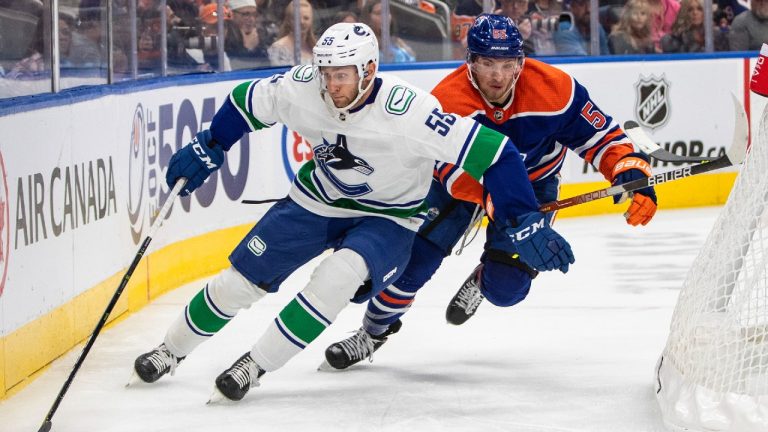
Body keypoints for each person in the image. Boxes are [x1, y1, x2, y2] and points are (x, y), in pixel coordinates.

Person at [131, 21, 574, 402]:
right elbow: (248, 101)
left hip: (390, 217)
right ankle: (170, 351)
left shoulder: (410, 112)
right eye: (327, 74)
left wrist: (521, 218)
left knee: (339, 277)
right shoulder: (303, 87)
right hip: (315, 201)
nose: (332, 86)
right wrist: (212, 144)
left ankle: (255, 364)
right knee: (237, 284)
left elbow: (496, 153)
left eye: (342, 75)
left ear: (369, 71)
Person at [321, 14, 657, 371]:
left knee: (506, 289)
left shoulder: (556, 89)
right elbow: (448, 172)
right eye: (486, 63)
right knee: (412, 264)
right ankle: (373, 333)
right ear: (470, 62)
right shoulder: (447, 100)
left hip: (532, 184)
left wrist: (629, 170)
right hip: (465, 186)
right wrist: (505, 207)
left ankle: (484, 280)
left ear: (520, 63)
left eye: (507, 64)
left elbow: (603, 138)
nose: (497, 76)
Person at [267, 0, 316, 66]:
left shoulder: (316, 48)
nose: (302, 22)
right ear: (289, 20)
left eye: (306, 18)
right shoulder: (278, 48)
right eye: (297, 18)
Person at [224, 0, 271, 67]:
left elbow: (267, 66)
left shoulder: (260, 35)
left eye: (254, 15)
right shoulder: (225, 37)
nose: (252, 19)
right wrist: (248, 48)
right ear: (231, 14)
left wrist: (255, 48)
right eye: (246, 14)